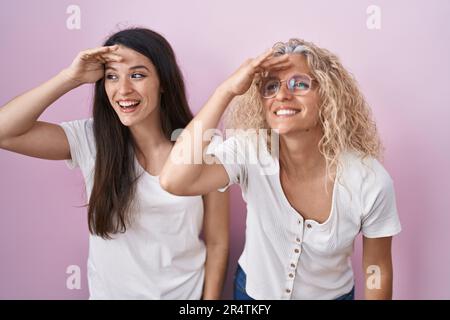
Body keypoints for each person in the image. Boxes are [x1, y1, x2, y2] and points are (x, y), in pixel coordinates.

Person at [160, 38, 401, 300]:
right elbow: (174, 180)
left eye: (300, 84)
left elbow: (377, 268)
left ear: (328, 95)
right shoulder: (249, 150)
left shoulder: (370, 180)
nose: (282, 95)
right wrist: (225, 91)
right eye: (271, 86)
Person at [0, 28, 229, 300]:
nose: (123, 90)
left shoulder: (204, 147)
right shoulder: (90, 140)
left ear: (163, 82)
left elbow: (217, 242)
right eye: (111, 76)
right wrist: (70, 78)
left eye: (137, 75)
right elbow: (5, 131)